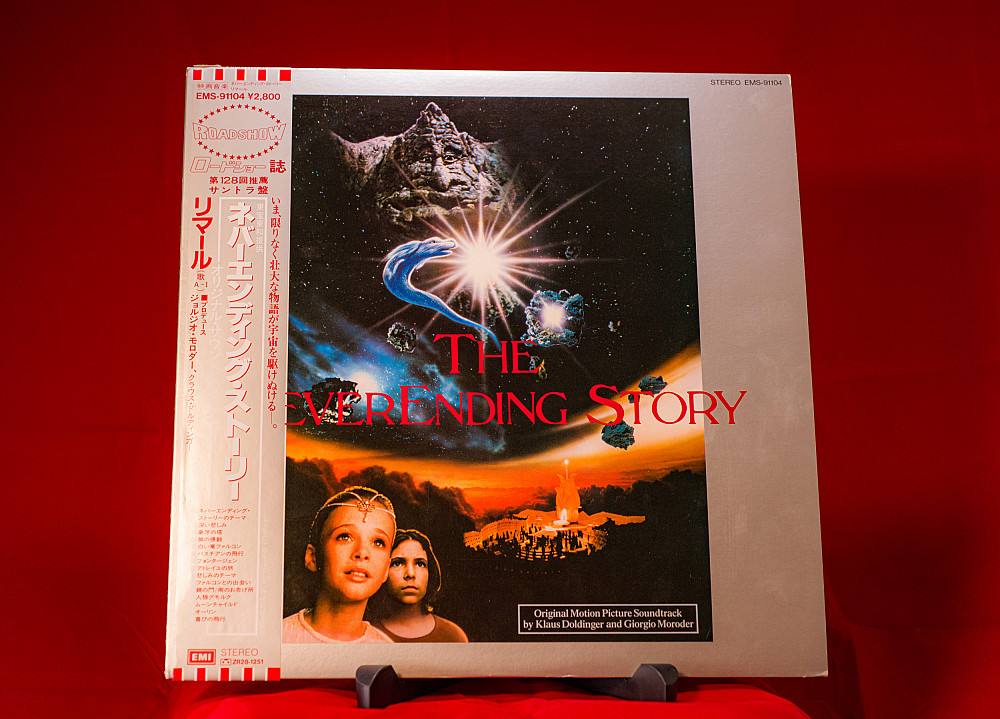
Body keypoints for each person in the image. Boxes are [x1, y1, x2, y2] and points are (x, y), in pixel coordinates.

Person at [282, 486, 396, 643]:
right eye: (345, 537)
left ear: (386, 569)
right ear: (312, 557)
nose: (362, 553)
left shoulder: (386, 648)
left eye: (378, 542)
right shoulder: (277, 637)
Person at [369, 529, 468, 642]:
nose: (410, 574)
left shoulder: (452, 636)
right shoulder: (366, 634)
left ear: (430, 573)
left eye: (420, 564)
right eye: (398, 563)